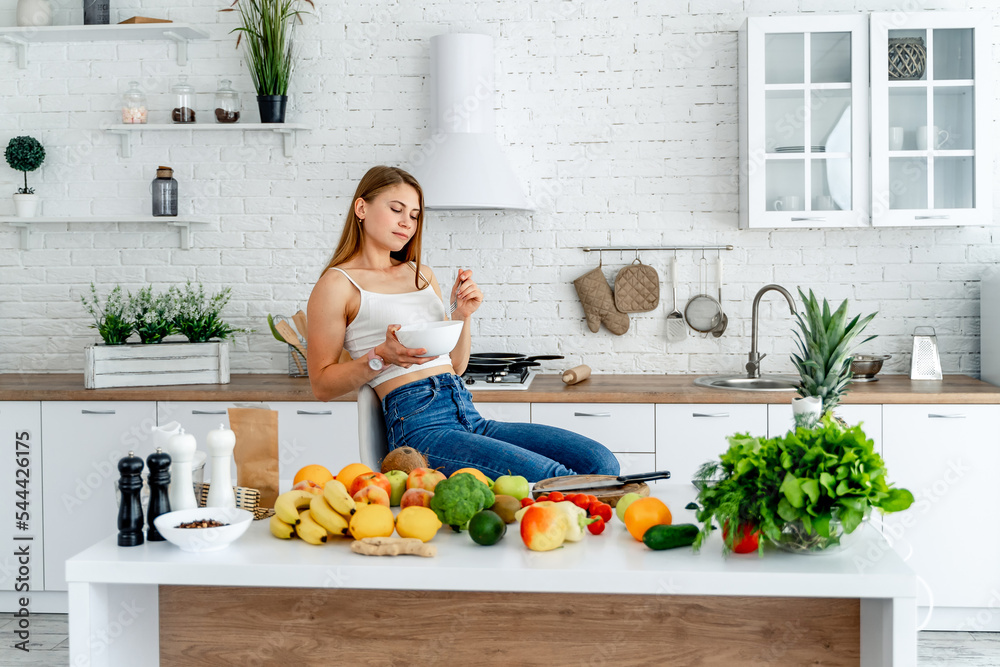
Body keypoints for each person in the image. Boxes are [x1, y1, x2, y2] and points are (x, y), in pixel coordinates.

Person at [306, 165, 620, 482]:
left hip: (466, 412)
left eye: (414, 215)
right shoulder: (337, 284)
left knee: (600, 464)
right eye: (396, 209)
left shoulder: (421, 275)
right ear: (361, 208)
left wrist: (461, 317)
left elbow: (455, 366)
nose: (407, 223)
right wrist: (381, 357)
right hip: (419, 428)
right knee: (555, 477)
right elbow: (321, 385)